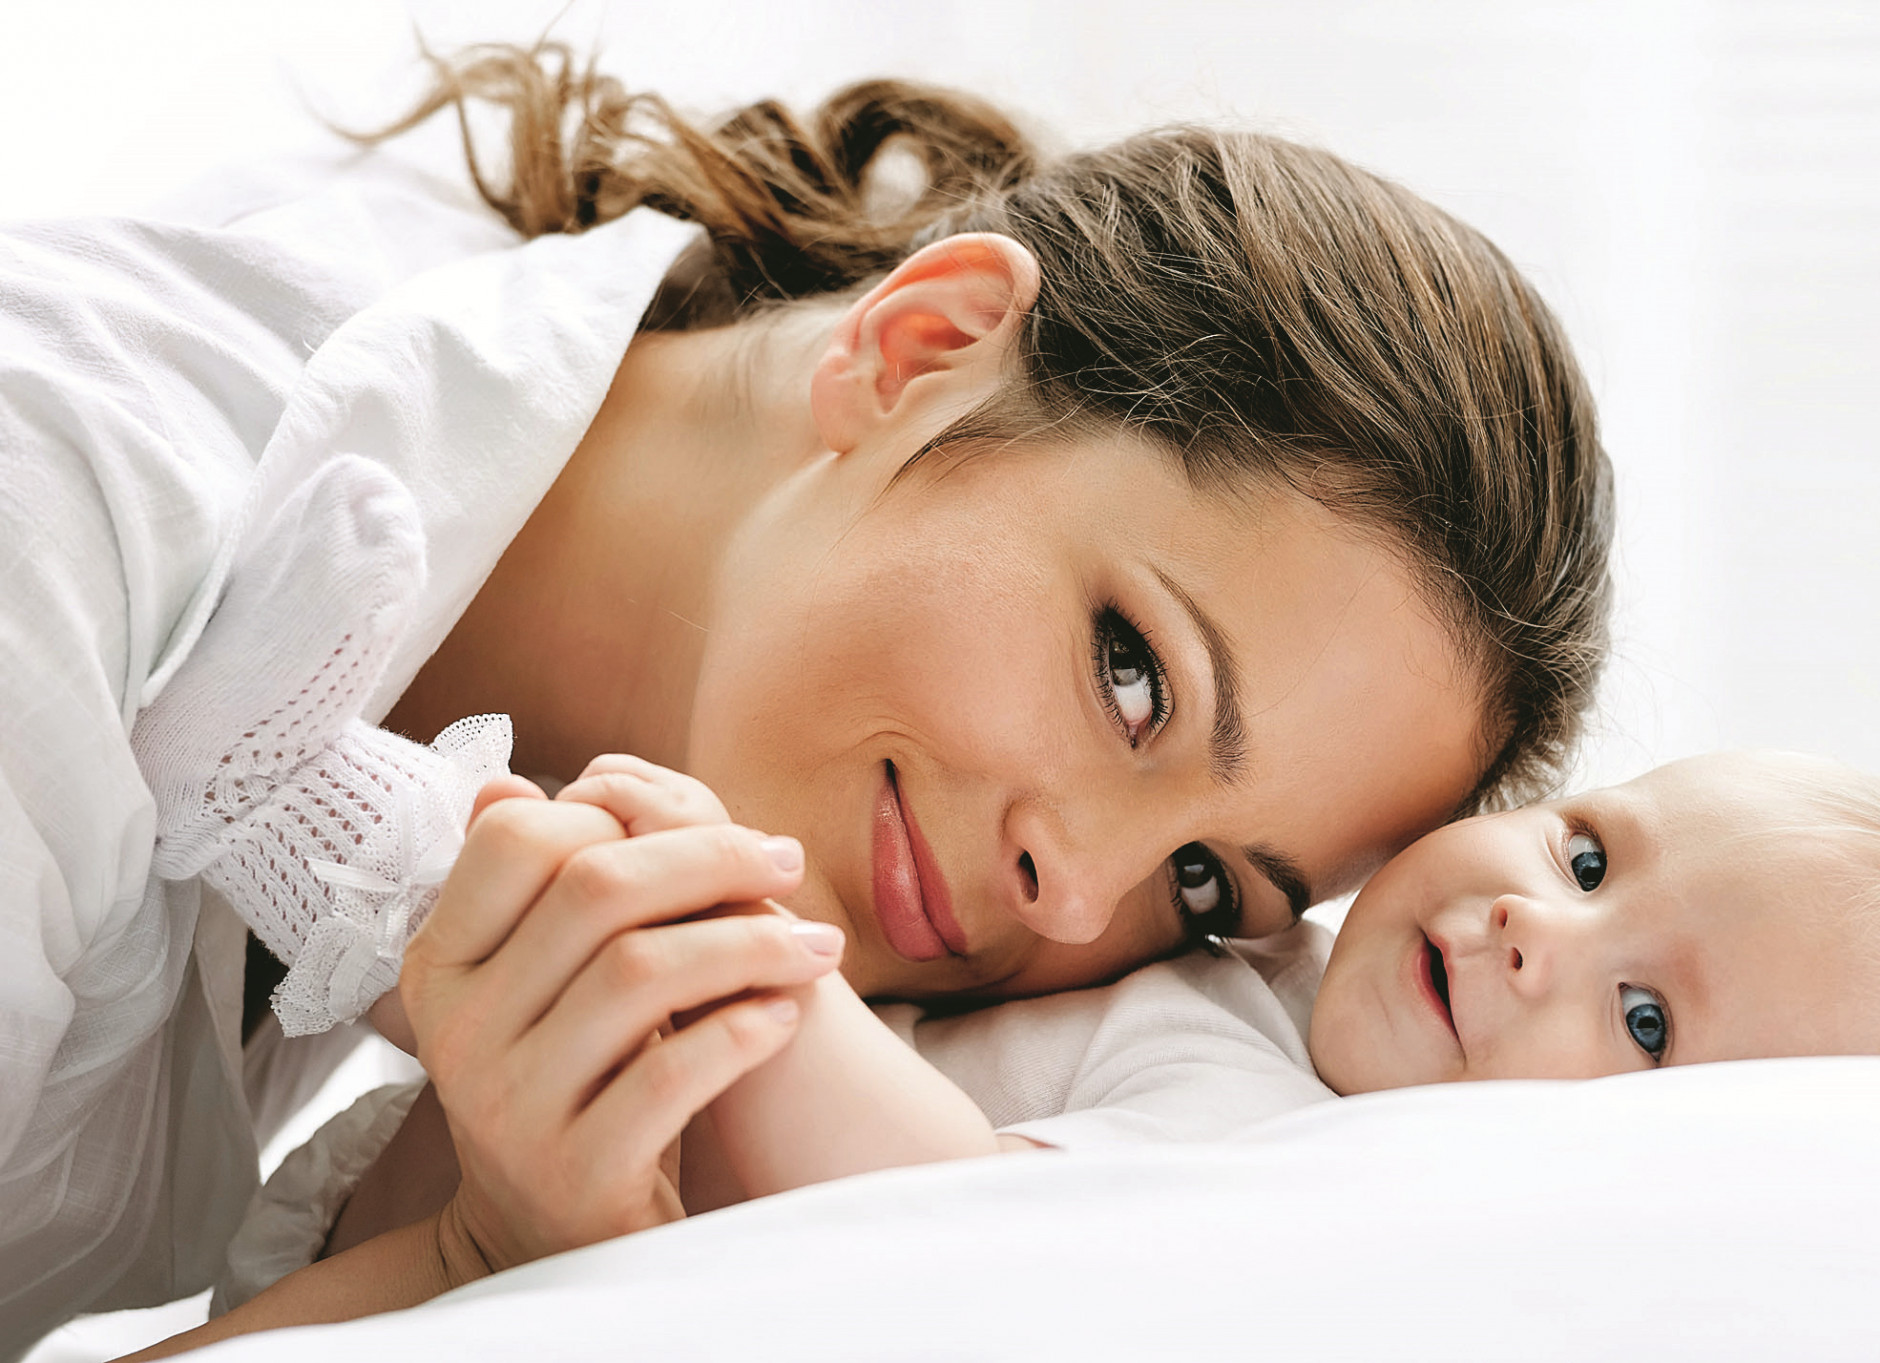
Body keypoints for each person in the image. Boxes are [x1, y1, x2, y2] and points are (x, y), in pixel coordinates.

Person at [0, 41, 1614, 1353]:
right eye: (1136, 678)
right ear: (923, 347)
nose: (1075, 900)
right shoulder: (62, 541)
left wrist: (474, 1258)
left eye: (1204, 887)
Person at [132, 748, 1880, 1360]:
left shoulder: (1284, 1141)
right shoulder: (1273, 957)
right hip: (447, 1143)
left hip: (514, 1223)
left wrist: (766, 975)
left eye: (1642, 1021)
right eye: (1591, 854)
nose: (1536, 927)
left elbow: (956, 1224)